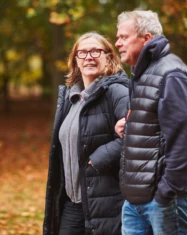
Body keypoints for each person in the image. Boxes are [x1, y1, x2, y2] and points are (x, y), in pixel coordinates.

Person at [114, 10, 187, 235]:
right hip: (136, 201)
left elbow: (185, 142)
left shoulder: (171, 74)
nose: (117, 43)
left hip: (164, 200)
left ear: (146, 38)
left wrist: (166, 193)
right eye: (118, 37)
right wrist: (130, 126)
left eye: (124, 37)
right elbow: (156, 126)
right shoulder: (141, 73)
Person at [43, 32, 129, 235]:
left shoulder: (117, 91)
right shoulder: (71, 98)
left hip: (106, 203)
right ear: (75, 61)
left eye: (95, 51)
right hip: (72, 203)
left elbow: (139, 133)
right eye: (82, 53)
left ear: (108, 57)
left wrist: (100, 157)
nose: (88, 57)